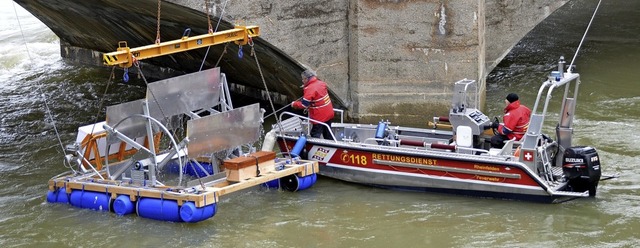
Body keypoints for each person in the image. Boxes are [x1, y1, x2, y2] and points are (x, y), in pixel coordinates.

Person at [291, 69, 335, 139]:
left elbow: (304, 105)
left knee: (315, 134)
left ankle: (314, 148)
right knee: (328, 133)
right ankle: (332, 145)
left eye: (303, 79)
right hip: (328, 112)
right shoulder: (321, 83)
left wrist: (294, 104)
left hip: (319, 116)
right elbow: (317, 96)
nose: (302, 81)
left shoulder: (310, 89)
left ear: (306, 79)